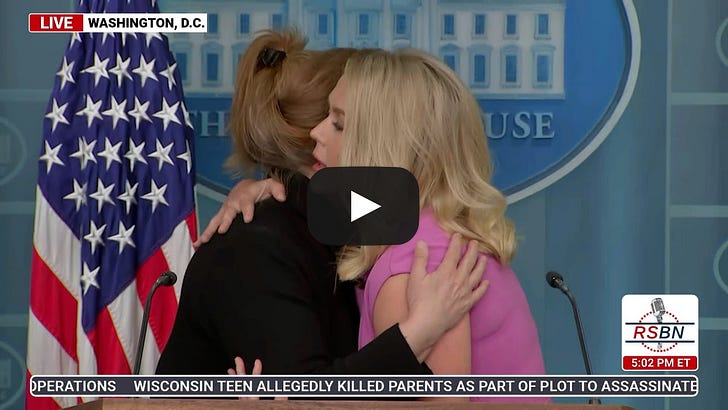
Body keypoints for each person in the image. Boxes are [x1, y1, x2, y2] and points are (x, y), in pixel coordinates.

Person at [156, 30, 487, 378]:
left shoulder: (348, 221)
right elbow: (304, 393)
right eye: (336, 120)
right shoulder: (255, 248)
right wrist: (419, 332)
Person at [308, 48, 548, 403]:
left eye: (339, 124)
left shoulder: (418, 265)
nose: (315, 132)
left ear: (386, 146)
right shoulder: (428, 238)